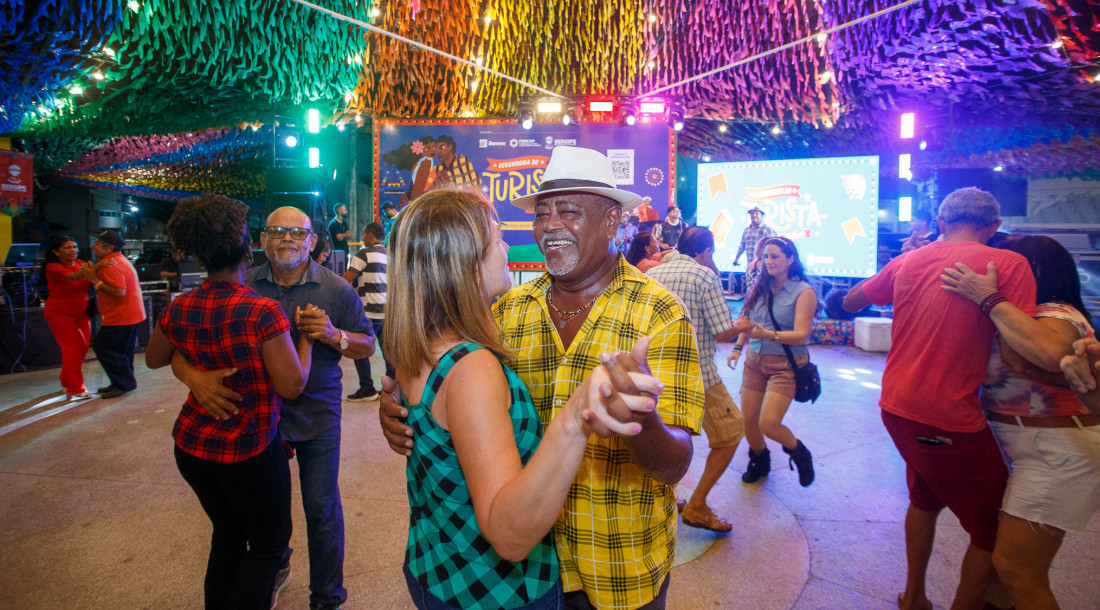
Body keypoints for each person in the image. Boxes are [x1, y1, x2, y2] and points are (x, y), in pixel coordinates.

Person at [381, 146, 705, 609]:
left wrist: (641, 421)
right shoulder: (504, 310)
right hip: (525, 570)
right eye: (542, 213)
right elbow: (444, 379)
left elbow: (676, 464)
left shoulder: (661, 316)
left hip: (615, 570)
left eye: (568, 211)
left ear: (612, 222)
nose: (548, 225)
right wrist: (396, 408)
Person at [171, 206, 376, 610]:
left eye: (297, 233)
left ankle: (327, 598)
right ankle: (276, 568)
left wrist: (335, 335)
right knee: (264, 518)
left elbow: (367, 344)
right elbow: (178, 345)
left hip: (317, 416)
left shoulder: (336, 290)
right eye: (277, 231)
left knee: (320, 509)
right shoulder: (244, 286)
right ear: (261, 240)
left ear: (312, 241)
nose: (287, 239)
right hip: (256, 422)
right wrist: (194, 378)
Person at [842, 187, 1037, 610]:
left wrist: (903, 263)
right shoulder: (1008, 263)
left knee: (924, 497)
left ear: (941, 223)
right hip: (948, 415)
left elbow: (850, 301)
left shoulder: (907, 260)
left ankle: (914, 597)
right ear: (995, 227)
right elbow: (1021, 351)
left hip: (895, 405)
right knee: (992, 531)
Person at [145, 195, 313, 610]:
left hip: (192, 448)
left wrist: (192, 372)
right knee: (269, 545)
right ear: (249, 250)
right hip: (248, 450)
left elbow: (152, 357)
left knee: (227, 532)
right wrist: (306, 338)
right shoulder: (262, 311)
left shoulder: (182, 304)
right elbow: (292, 385)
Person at [941, 235, 1100, 609]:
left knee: (1017, 570)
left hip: (1055, 452)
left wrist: (990, 298)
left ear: (1035, 270)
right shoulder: (1030, 312)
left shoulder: (1058, 312)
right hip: (1031, 447)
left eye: (1010, 263)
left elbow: (1045, 354)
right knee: (1004, 562)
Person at [648, 226, 750, 532]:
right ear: (705, 252)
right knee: (731, 433)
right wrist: (742, 325)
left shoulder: (653, 275)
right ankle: (697, 505)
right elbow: (721, 331)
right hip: (698, 374)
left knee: (665, 439)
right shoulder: (705, 277)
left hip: (656, 373)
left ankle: (667, 497)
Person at [726, 236, 817, 488]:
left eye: (775, 256)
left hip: (786, 365)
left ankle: (799, 451)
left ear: (791, 259)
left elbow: (801, 334)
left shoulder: (804, 292)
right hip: (754, 361)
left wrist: (768, 335)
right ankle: (760, 460)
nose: (769, 261)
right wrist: (737, 347)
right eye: (766, 256)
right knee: (749, 421)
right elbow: (747, 323)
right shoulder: (760, 287)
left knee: (769, 423)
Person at [79, 229, 146, 399]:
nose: (93, 246)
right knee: (123, 351)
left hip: (121, 315)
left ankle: (124, 383)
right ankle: (121, 382)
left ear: (109, 248)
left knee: (104, 348)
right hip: (130, 313)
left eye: (97, 244)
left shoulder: (111, 265)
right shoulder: (116, 260)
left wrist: (94, 281)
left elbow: (119, 292)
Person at [343, 222, 393, 402]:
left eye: (364, 235)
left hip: (368, 313)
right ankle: (391, 388)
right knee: (388, 353)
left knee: (359, 350)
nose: (363, 239)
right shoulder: (389, 254)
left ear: (371, 236)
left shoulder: (363, 254)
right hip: (387, 311)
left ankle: (367, 388)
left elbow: (346, 280)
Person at [41, 235, 95, 400]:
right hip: (59, 313)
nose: (73, 250)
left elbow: (90, 279)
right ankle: (75, 387)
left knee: (83, 347)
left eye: (74, 246)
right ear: (56, 252)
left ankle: (66, 380)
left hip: (81, 312)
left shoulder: (80, 264)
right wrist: (100, 265)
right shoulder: (52, 267)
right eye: (68, 247)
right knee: (74, 347)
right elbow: (74, 277)